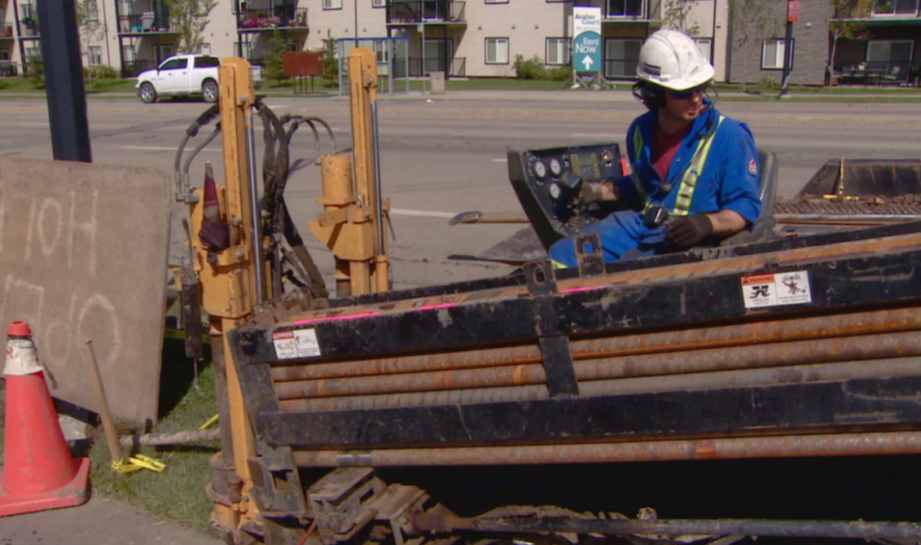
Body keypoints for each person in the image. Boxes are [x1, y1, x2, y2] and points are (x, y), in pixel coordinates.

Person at [548, 29, 762, 268]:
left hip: (689, 241)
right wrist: (595, 192)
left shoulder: (730, 136)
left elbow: (745, 207)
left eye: (700, 88)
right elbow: (644, 187)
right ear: (654, 94)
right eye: (683, 92)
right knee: (562, 256)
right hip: (643, 225)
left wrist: (705, 224)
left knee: (630, 271)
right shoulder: (640, 131)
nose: (696, 98)